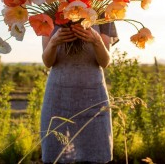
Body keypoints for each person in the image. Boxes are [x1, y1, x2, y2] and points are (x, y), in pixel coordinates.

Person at [40, 21, 119, 164]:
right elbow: (47, 62)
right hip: (58, 97)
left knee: (97, 157)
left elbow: (105, 62)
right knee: (55, 157)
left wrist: (96, 40)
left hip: (93, 98)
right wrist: (54, 42)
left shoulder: (103, 11)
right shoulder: (50, 12)